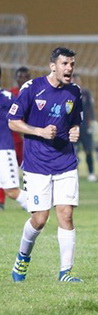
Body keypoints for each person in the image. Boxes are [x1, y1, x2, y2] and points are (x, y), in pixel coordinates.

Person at [8, 47, 83, 283]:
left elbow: (75, 122)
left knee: (66, 214)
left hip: (65, 162)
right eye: (64, 64)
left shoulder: (74, 91)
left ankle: (66, 272)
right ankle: (22, 257)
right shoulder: (32, 88)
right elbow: (13, 122)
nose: (69, 68)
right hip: (37, 164)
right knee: (40, 219)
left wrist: (75, 131)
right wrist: (38, 131)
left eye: (71, 64)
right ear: (53, 66)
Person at [0, 66, 30, 209]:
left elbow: (25, 115)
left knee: (11, 191)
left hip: (3, 150)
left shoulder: (7, 98)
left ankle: (37, 209)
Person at [72, 73, 98, 182]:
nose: (76, 82)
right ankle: (74, 174)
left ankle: (91, 173)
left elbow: (90, 109)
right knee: (73, 152)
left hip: (85, 126)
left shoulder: (86, 93)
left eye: (78, 80)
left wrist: (93, 122)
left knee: (88, 150)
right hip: (73, 127)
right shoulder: (67, 93)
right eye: (74, 80)